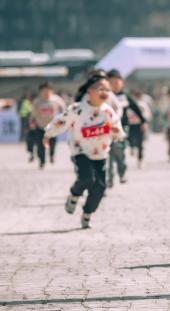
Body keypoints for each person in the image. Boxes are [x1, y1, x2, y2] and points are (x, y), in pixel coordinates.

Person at [43, 74, 126, 229]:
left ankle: (87, 213)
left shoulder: (108, 111)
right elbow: (61, 122)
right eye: (100, 88)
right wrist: (48, 134)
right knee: (87, 178)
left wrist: (117, 133)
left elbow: (117, 130)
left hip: (100, 154)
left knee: (100, 187)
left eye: (107, 89)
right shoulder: (77, 109)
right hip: (80, 151)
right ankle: (74, 194)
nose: (104, 92)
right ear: (90, 91)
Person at [105, 69, 146, 187]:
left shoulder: (125, 97)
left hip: (122, 128)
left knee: (119, 152)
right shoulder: (104, 96)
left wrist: (143, 121)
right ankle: (109, 179)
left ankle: (122, 172)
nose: (115, 85)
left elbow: (135, 108)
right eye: (112, 82)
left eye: (117, 82)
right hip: (106, 129)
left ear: (122, 83)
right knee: (107, 154)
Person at [29, 82, 66, 168]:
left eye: (48, 91)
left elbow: (64, 110)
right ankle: (42, 161)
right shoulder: (37, 101)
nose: (46, 93)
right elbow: (32, 113)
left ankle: (51, 155)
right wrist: (31, 122)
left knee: (52, 143)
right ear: (40, 92)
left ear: (51, 91)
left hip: (53, 126)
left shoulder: (56, 100)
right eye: (44, 91)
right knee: (40, 144)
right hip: (40, 126)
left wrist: (63, 120)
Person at [125, 89, 151, 168]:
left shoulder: (142, 105)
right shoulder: (128, 104)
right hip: (130, 124)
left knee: (140, 142)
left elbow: (147, 114)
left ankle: (140, 159)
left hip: (139, 124)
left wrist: (144, 122)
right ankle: (132, 147)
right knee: (129, 138)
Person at [19, 92, 34, 162]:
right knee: (29, 140)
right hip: (28, 122)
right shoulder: (26, 102)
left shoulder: (36, 104)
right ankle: (31, 154)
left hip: (36, 126)